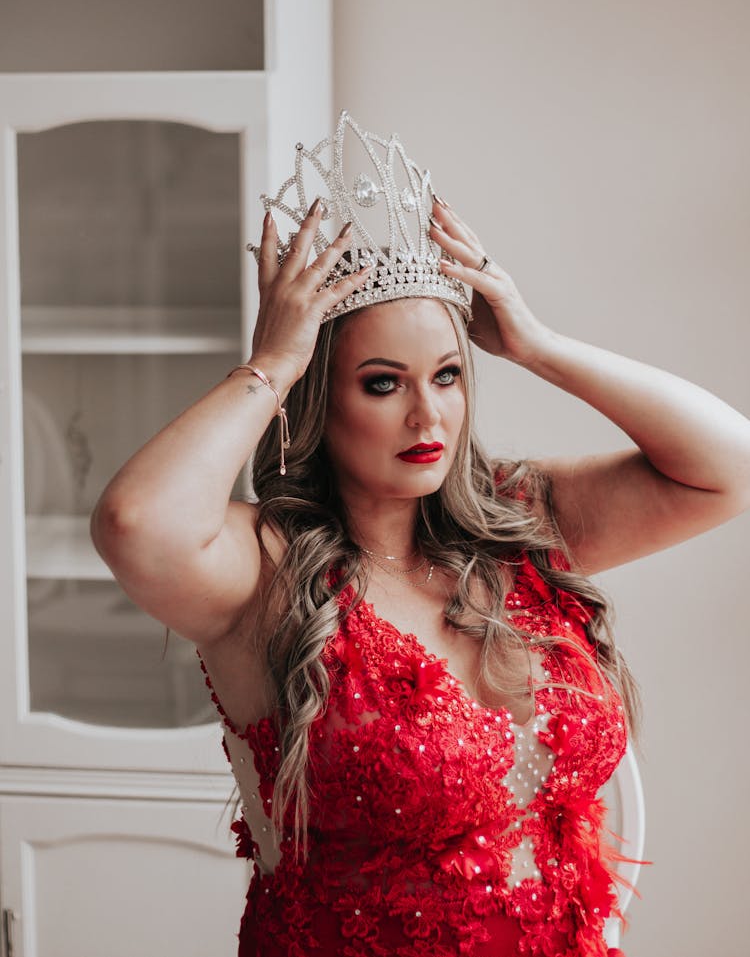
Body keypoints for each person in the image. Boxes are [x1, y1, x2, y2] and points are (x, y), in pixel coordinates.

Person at [91, 111, 750, 957]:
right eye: (380, 383)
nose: (426, 413)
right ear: (320, 399)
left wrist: (537, 345)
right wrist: (274, 362)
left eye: (445, 375)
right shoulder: (265, 572)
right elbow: (133, 521)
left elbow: (729, 463)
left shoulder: (518, 521)